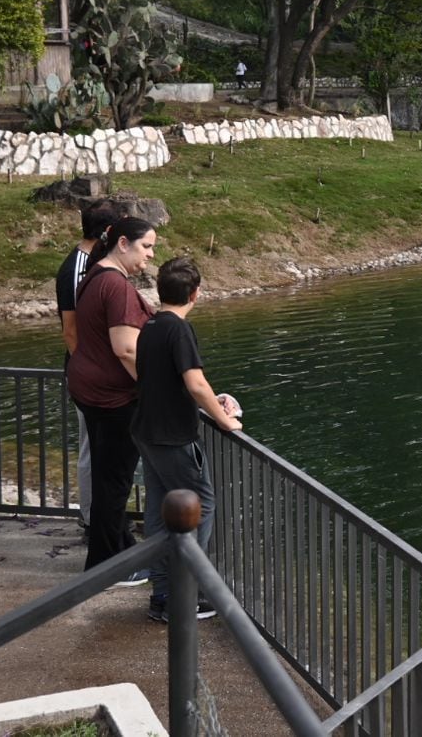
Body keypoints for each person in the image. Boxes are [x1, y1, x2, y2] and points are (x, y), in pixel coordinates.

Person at [135, 257, 242, 622]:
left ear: (160, 290)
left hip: (147, 433)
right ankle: (186, 596)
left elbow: (171, 381)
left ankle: (162, 595)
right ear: (195, 293)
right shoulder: (179, 330)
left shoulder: (149, 326)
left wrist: (215, 402)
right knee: (201, 508)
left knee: (159, 514)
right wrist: (224, 420)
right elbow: (195, 383)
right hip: (173, 437)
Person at [67, 216, 157, 581]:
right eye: (146, 246)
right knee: (114, 482)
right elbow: (125, 349)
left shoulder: (93, 276)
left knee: (108, 477)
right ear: (123, 243)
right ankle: (108, 566)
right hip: (113, 398)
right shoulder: (116, 286)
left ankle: (114, 555)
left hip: (90, 390)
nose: (151, 255)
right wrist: (156, 390)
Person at [55, 199, 124, 528]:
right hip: (89, 377)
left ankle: (106, 516)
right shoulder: (77, 267)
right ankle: (91, 517)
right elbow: (70, 331)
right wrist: (93, 371)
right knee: (91, 447)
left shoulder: (95, 263)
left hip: (97, 374)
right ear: (109, 231)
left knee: (104, 449)